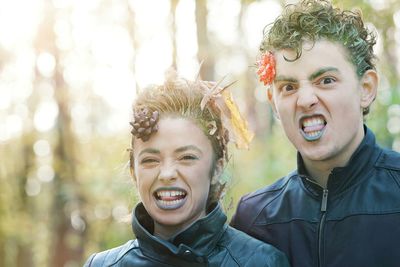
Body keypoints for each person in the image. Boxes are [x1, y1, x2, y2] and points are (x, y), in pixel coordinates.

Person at [231, 0, 400, 266]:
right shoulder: (253, 219)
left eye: (326, 81)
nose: (305, 99)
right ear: (273, 102)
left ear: (366, 88)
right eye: (288, 86)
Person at [84, 69, 290, 267]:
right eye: (150, 160)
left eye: (186, 157)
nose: (166, 174)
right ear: (133, 172)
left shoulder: (261, 262)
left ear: (217, 168)